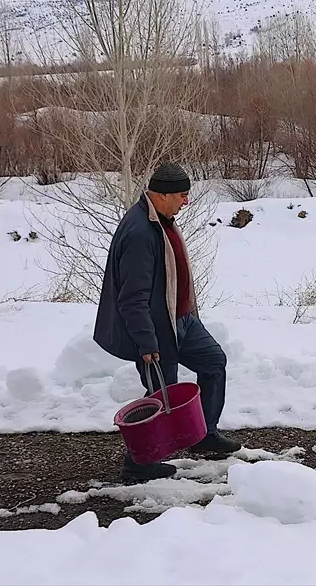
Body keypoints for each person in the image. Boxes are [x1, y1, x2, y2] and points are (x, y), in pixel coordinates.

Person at [94, 162, 241, 483]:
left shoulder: (160, 219)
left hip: (182, 320)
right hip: (156, 328)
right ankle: (139, 462)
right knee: (162, 393)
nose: (186, 202)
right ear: (161, 195)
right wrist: (146, 342)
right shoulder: (140, 231)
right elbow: (132, 297)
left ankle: (203, 434)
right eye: (182, 195)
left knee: (214, 362)